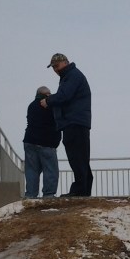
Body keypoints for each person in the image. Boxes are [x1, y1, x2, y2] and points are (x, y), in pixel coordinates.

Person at [41, 53, 93, 196]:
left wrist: (49, 101)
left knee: (77, 158)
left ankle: (79, 191)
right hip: (76, 122)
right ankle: (83, 190)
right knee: (81, 158)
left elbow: (64, 96)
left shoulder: (72, 76)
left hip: (74, 122)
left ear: (65, 62)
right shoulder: (70, 76)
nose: (55, 70)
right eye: (53, 67)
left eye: (56, 66)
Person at [23, 86, 61, 198]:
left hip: (29, 140)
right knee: (50, 170)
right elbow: (57, 121)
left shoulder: (31, 105)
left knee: (31, 170)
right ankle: (48, 195)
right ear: (47, 94)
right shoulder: (50, 105)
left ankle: (30, 195)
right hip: (47, 142)